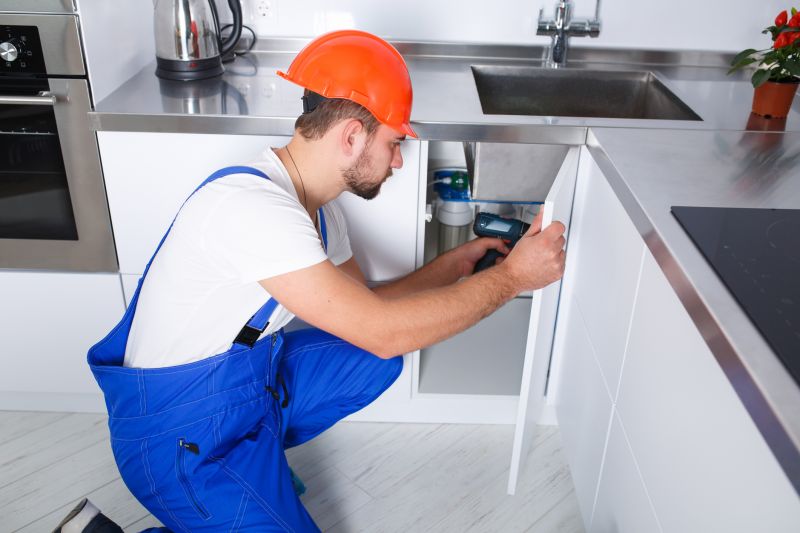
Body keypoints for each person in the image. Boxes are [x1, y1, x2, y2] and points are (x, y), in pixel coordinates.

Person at [54, 29, 566, 533]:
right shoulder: (254, 210)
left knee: (377, 361)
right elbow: (383, 327)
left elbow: (365, 311)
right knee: (386, 341)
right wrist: (515, 279)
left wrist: (453, 266)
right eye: (393, 143)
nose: (397, 160)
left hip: (243, 387)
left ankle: (259, 467)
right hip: (178, 438)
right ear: (350, 135)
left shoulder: (314, 211)